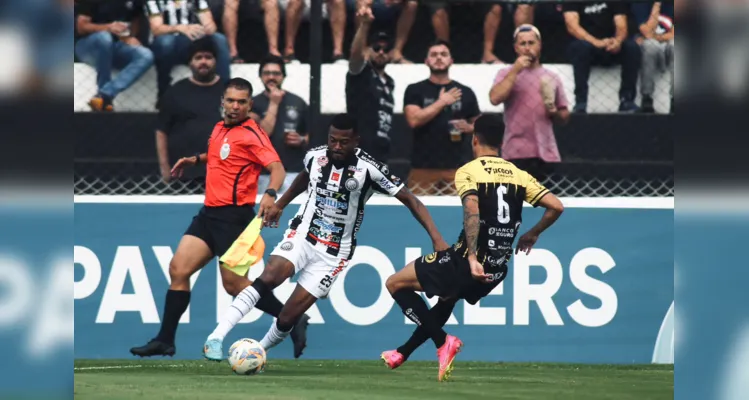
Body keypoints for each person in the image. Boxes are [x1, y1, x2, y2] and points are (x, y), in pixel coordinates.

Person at [201, 113, 450, 361]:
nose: (337, 147)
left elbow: (411, 200)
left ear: (356, 141)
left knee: (288, 316)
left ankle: (258, 353)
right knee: (268, 277)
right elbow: (303, 178)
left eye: (343, 142)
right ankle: (216, 337)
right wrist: (281, 204)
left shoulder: (370, 170)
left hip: (333, 253)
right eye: (333, 140)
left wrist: (437, 238)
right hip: (302, 234)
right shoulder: (315, 156)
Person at [130, 78, 309, 358]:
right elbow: (221, 154)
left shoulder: (253, 133)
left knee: (234, 285)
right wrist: (196, 160)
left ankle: (292, 317)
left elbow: (276, 167)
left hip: (234, 219)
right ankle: (165, 339)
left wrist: (271, 193)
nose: (235, 106)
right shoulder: (219, 128)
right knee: (178, 270)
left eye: (241, 102)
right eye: (230, 100)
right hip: (209, 214)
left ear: (250, 105)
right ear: (222, 102)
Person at [381, 114, 565, 382]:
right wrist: (533, 233)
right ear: (501, 142)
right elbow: (557, 206)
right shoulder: (519, 175)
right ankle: (403, 353)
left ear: (474, 139)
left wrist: (471, 258)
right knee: (447, 299)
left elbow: (472, 211)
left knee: (395, 283)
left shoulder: (469, 170)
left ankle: (443, 341)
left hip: (467, 260)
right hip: (498, 268)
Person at [489, 24, 570, 182]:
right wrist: (516, 70)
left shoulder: (551, 76)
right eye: (522, 44)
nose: (527, 48)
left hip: (546, 152)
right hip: (515, 152)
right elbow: (494, 98)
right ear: (515, 48)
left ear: (539, 45)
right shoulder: (505, 73)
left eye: (531, 43)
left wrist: (554, 112)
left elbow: (564, 116)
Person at [403, 40, 481, 196]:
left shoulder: (465, 92)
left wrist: (470, 127)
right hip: (423, 167)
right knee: (418, 212)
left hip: (458, 168)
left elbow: (479, 125)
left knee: (461, 214)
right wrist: (442, 102)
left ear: (451, 61)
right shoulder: (415, 90)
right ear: (426, 61)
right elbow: (414, 120)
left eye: (444, 54)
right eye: (434, 55)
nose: (439, 58)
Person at [156, 37, 223, 188]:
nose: (203, 62)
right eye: (198, 58)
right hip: (183, 175)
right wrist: (164, 167)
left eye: (208, 57)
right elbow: (161, 131)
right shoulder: (175, 92)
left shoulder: (229, 90)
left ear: (216, 61)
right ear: (190, 62)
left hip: (221, 173)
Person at [145, 0, 231, 105]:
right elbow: (156, 29)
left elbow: (210, 24)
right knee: (166, 42)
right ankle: (163, 91)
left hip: (191, 40)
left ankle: (226, 92)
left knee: (219, 39)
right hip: (168, 42)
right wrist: (180, 28)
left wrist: (208, 28)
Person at [74, 0, 154, 112]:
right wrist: (109, 27)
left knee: (145, 55)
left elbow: (136, 17)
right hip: (87, 45)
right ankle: (103, 94)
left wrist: (131, 36)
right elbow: (81, 27)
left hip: (116, 45)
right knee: (104, 38)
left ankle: (104, 95)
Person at [563, 1, 640, 113]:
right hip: (586, 44)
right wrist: (596, 42)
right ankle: (581, 102)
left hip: (609, 44)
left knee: (632, 48)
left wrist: (617, 41)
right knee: (580, 48)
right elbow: (572, 26)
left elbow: (621, 24)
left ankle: (627, 100)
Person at [250, 55, 310, 195]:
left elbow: (312, 134)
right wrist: (274, 103)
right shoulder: (252, 103)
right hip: (264, 173)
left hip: (293, 172)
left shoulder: (297, 102)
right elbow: (262, 134)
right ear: (260, 76)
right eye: (267, 73)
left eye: (276, 73)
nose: (271, 77)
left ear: (283, 76)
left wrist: (301, 140)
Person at [347, 6, 395, 163]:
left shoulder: (390, 81)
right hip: (359, 150)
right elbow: (355, 56)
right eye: (376, 48)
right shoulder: (362, 72)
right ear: (368, 50)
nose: (381, 52)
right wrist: (364, 25)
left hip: (382, 153)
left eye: (385, 49)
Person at [632, 1, 674, 113]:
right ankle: (647, 98)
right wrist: (656, 5)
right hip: (649, 45)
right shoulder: (640, 5)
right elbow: (647, 32)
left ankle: (675, 99)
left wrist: (655, 37)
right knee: (650, 45)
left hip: (666, 43)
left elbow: (674, 34)